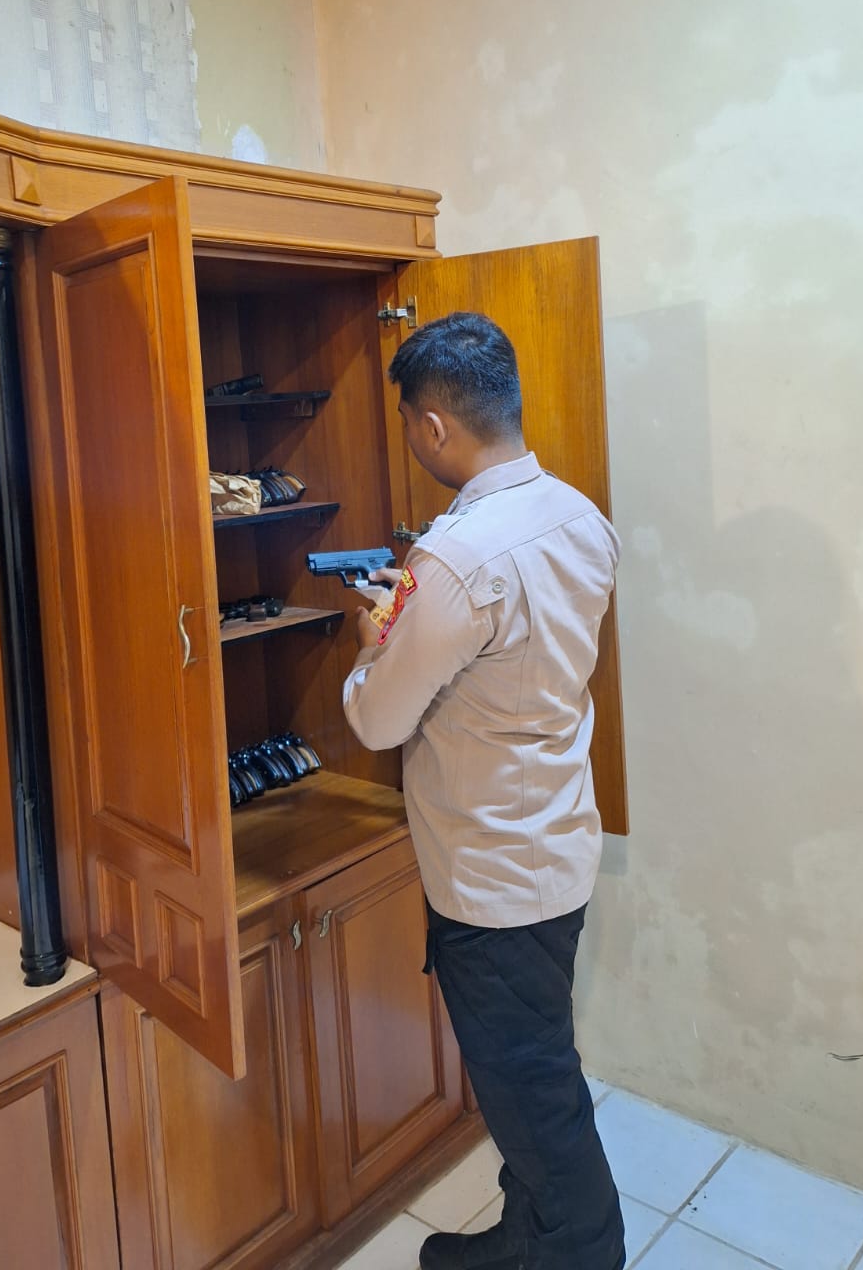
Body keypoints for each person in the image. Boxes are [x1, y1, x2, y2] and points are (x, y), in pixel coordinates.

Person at [342, 311, 625, 1270]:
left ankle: (582, 1252)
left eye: (406, 424)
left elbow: (378, 720)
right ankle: (525, 1237)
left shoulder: (458, 558)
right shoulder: (578, 514)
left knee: (535, 1091)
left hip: (493, 876)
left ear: (432, 426)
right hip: (556, 843)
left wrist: (375, 643)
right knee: (527, 1077)